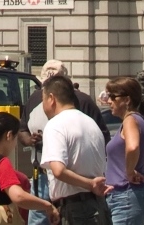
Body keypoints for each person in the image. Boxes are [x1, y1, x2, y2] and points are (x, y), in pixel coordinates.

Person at [21, 62, 108, 225]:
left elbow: (58, 170)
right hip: (97, 204)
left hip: (75, 207)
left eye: (43, 100)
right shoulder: (90, 123)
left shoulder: (55, 125)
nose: (42, 106)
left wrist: (90, 184)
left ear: (51, 99)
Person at [0, 111, 61, 225]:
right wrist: (47, 206)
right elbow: (18, 196)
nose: (15, 144)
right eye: (16, 138)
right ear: (9, 136)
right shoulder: (0, 161)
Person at [102, 77, 144, 225]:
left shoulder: (130, 120)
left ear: (127, 100)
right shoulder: (139, 120)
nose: (109, 101)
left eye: (113, 97)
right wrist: (142, 171)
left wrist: (129, 172)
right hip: (130, 195)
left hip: (126, 196)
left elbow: (133, 147)